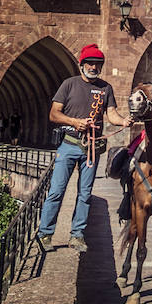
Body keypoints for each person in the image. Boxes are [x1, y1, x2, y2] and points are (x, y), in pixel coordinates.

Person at [38, 43, 131, 252]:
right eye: (90, 63)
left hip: (91, 148)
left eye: (97, 64)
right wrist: (74, 122)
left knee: (85, 193)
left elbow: (112, 114)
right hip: (69, 145)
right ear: (82, 64)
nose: (93, 67)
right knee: (56, 191)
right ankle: (45, 233)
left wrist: (123, 121)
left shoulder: (106, 88)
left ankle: (77, 235)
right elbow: (53, 114)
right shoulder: (69, 85)